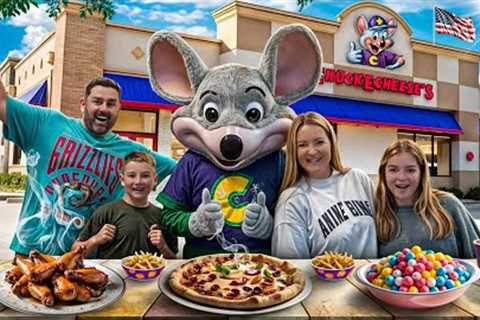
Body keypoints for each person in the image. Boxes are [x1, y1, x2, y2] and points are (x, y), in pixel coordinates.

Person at [0, 78, 176, 256]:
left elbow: (183, 168)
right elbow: (2, 102)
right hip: (31, 254)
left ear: (118, 109)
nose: (104, 108)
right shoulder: (46, 123)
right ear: (83, 105)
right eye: (97, 101)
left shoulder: (131, 152)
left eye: (111, 104)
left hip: (85, 261)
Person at [272, 112, 377, 259]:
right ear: (294, 151)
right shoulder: (292, 200)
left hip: (371, 280)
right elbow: (292, 267)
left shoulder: (358, 179)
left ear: (331, 143)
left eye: (319, 142)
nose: (312, 151)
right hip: (325, 282)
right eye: (302, 145)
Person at [376, 139, 480, 258]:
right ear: (383, 173)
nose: (401, 177)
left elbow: (477, 256)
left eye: (410, 170)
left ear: (422, 173)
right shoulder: (376, 210)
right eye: (393, 169)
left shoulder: (448, 205)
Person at [72, 151, 177, 259]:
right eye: (131, 175)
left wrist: (163, 246)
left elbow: (174, 260)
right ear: (122, 180)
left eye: (145, 176)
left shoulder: (163, 217)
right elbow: (75, 251)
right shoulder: (105, 212)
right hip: (111, 275)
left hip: (151, 275)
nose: (138, 181)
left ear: (155, 180)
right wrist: (95, 240)